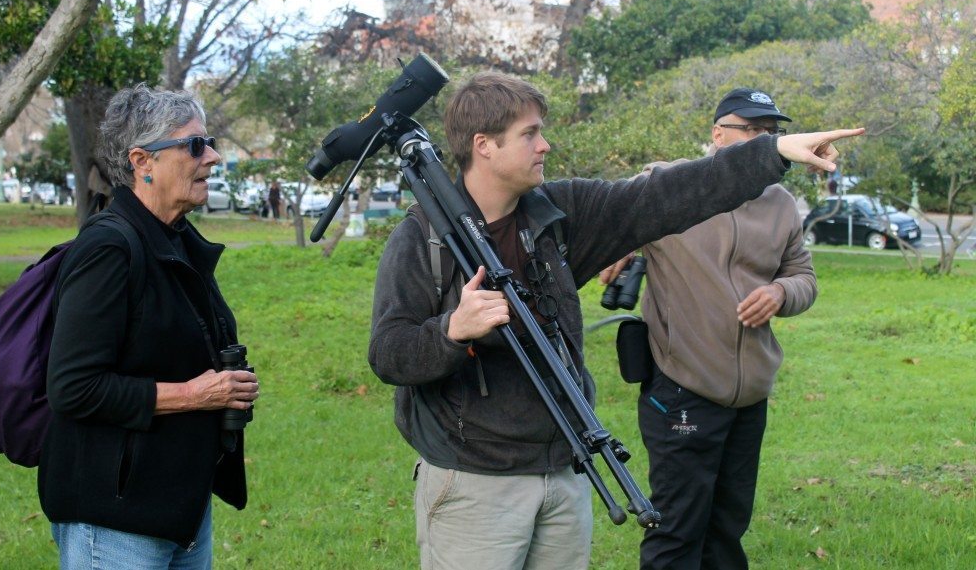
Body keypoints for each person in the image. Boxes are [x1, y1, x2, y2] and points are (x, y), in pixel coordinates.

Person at [368, 72, 860, 570]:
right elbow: (389, 352)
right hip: (473, 481)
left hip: (566, 466)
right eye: (530, 134)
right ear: (485, 146)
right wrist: (452, 329)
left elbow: (668, 195)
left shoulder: (559, 214)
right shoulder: (422, 240)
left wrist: (773, 152)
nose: (545, 144)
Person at [38, 84, 260, 569]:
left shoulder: (174, 239)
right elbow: (73, 388)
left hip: (179, 505)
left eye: (210, 142)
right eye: (195, 145)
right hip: (114, 519)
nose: (214, 157)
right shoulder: (109, 249)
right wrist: (195, 395)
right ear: (143, 161)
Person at [598, 87, 817, 570]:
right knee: (677, 531)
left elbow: (804, 277)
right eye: (753, 130)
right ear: (718, 135)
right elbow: (609, 220)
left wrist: (781, 294)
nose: (765, 140)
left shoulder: (780, 203)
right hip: (682, 386)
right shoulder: (667, 185)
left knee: (727, 528)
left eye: (771, 132)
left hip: (750, 395)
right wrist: (621, 247)